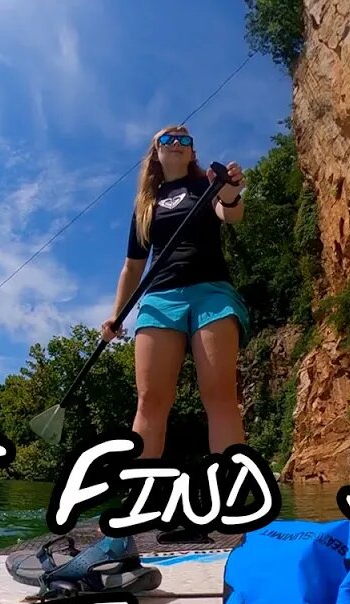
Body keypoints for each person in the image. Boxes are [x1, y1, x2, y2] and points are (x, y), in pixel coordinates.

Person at [101, 124, 250, 542]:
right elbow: (132, 267)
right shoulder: (145, 206)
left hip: (211, 294)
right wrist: (116, 317)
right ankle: (142, 499)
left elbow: (230, 213)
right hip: (159, 299)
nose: (178, 142)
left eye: (185, 139)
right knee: (150, 400)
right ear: (155, 151)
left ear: (192, 151)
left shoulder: (208, 183)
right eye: (169, 138)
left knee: (219, 395)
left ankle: (230, 499)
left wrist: (229, 192)